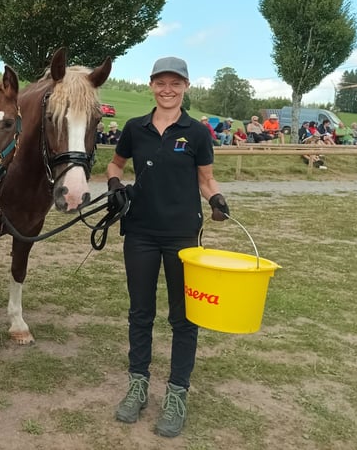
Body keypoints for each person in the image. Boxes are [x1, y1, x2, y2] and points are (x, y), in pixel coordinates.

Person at [106, 56, 229, 438]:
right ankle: (138, 385)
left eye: (175, 83)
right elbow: (115, 165)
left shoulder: (196, 132)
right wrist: (113, 186)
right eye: (161, 82)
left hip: (182, 238)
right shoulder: (134, 128)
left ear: (186, 87)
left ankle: (177, 394)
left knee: (183, 318)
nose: (168, 89)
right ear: (151, 85)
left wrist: (217, 199)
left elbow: (206, 180)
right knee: (141, 312)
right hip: (140, 232)